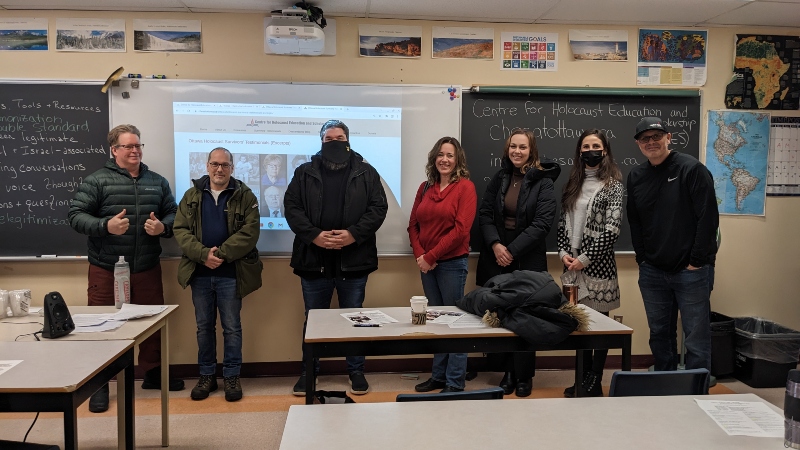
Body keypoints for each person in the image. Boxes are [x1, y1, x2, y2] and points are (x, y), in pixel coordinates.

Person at [68, 124, 184, 413]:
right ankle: (100, 384)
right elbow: (75, 216)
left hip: (145, 265)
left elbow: (173, 212)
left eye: (138, 146)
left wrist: (163, 227)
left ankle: (153, 373)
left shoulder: (157, 181)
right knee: (102, 326)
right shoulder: (97, 181)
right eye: (129, 146)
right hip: (106, 267)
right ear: (114, 150)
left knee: (151, 322)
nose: (135, 151)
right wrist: (104, 226)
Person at [284, 120, 388, 396]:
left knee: (355, 319)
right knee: (313, 320)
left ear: (348, 141)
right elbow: (292, 208)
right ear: (321, 142)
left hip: (353, 261)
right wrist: (314, 235)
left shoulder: (366, 172)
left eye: (339, 138)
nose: (334, 143)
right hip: (313, 261)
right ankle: (309, 372)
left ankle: (355, 371)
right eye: (329, 139)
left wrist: (354, 234)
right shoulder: (303, 172)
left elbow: (378, 209)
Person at [627, 117, 719, 373]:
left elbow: (708, 218)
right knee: (659, 334)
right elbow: (634, 221)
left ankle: (696, 391)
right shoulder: (636, 176)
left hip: (691, 272)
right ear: (638, 144)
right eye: (645, 138)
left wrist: (696, 262)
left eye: (657, 136)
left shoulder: (691, 169)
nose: (651, 142)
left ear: (668, 137)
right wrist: (642, 259)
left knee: (696, 338)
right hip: (653, 271)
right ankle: (665, 385)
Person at [173, 147, 263, 402]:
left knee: (232, 328)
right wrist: (203, 255)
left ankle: (232, 377)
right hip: (199, 274)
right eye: (215, 164)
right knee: (203, 328)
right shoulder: (191, 196)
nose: (219, 169)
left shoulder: (245, 196)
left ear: (232, 168)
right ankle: (207, 376)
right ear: (207, 166)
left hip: (231, 273)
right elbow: (180, 230)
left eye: (224, 165)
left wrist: (220, 254)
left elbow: (250, 231)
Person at [475, 129, 560, 397]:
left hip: (527, 257)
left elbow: (542, 224)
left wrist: (510, 250)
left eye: (523, 147)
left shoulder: (543, 182)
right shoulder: (500, 178)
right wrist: (496, 246)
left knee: (527, 317)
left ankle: (524, 375)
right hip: (497, 255)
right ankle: (507, 371)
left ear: (531, 151)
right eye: (513, 146)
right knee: (501, 314)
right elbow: (486, 214)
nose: (517, 152)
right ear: (507, 148)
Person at [557, 129, 623, 397]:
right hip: (571, 267)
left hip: (598, 267)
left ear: (604, 150)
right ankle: (581, 378)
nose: (590, 150)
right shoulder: (573, 183)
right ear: (580, 151)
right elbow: (562, 223)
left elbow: (613, 229)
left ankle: (594, 381)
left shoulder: (614, 185)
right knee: (579, 326)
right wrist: (563, 253)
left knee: (600, 327)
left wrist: (585, 259)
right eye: (586, 146)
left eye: (596, 145)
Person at [408, 136, 477, 393]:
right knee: (435, 321)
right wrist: (420, 256)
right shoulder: (425, 188)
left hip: (450, 264)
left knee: (454, 322)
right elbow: (413, 225)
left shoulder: (465, 188)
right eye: (440, 154)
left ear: (457, 159)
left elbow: (461, 230)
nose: (444, 159)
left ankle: (454, 381)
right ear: (433, 158)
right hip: (427, 264)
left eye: (450, 155)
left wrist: (431, 256)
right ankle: (438, 376)